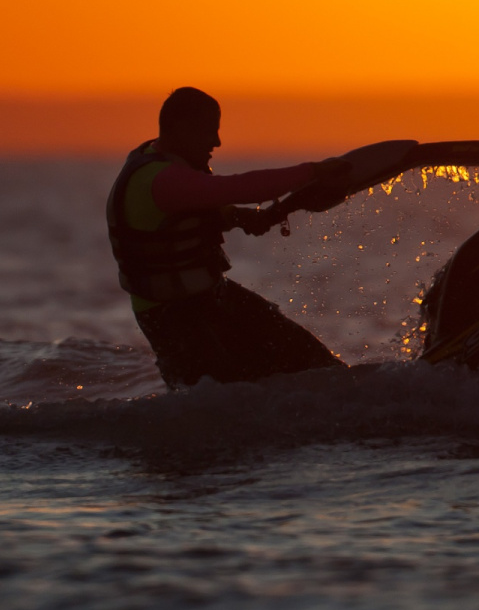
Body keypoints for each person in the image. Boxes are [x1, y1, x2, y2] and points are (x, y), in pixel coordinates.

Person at [107, 87, 351, 388]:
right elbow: (240, 187)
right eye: (210, 131)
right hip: (172, 318)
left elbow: (187, 213)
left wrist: (235, 217)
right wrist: (314, 171)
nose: (217, 142)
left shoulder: (156, 160)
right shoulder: (161, 179)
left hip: (213, 298)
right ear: (182, 129)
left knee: (318, 367)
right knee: (228, 397)